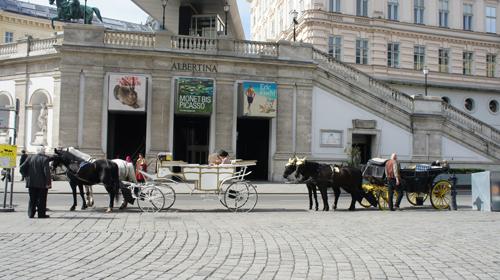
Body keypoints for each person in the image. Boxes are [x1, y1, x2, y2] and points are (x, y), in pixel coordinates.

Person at [19, 147, 52, 218]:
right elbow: (47, 172)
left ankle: (31, 214)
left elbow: (21, 168)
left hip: (31, 182)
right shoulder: (44, 159)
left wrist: (26, 176)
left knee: (32, 198)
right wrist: (48, 183)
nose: (45, 152)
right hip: (42, 183)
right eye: (44, 151)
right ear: (42, 152)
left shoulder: (29, 158)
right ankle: (41, 214)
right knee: (42, 199)